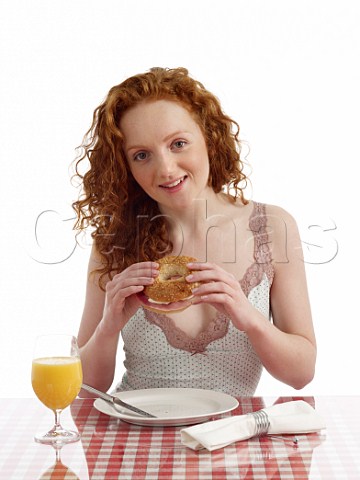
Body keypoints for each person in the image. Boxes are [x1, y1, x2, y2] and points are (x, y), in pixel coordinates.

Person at [73, 67, 316, 397]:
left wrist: (249, 318)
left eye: (178, 143)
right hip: (137, 438)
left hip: (232, 439)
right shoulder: (114, 241)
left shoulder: (272, 228)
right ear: (125, 166)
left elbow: (301, 374)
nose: (166, 169)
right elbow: (86, 387)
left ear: (209, 138)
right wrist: (108, 327)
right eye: (141, 155)